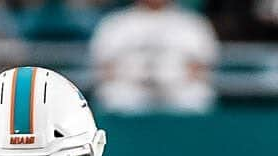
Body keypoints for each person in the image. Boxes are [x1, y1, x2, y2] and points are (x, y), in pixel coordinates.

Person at [89, 0, 219, 113]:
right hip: (131, 87)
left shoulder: (192, 23)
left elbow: (202, 67)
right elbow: (104, 66)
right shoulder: (115, 22)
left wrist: (169, 83)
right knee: (114, 96)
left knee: (195, 96)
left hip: (175, 88)